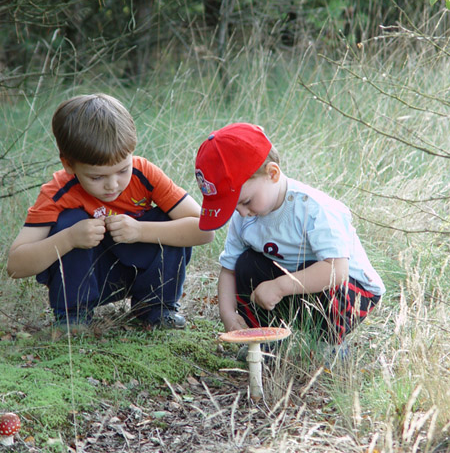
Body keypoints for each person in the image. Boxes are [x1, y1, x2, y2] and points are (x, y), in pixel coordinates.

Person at [7, 93, 214, 329]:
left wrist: (140, 230)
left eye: (122, 170)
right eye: (97, 177)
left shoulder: (144, 173)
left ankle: (156, 310)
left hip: (140, 271)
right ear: (68, 164)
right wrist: (69, 238)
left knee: (171, 220)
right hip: (92, 275)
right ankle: (73, 316)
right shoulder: (58, 192)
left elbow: (205, 229)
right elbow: (16, 265)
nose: (112, 185)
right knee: (68, 220)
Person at [195, 123, 385, 348]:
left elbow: (337, 271)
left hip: (350, 289)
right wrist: (227, 313)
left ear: (272, 174)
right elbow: (229, 269)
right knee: (245, 264)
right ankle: (262, 341)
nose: (243, 213)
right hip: (295, 281)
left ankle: (327, 344)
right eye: (233, 208)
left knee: (328, 280)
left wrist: (279, 287)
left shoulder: (314, 209)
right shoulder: (245, 217)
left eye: (245, 202)